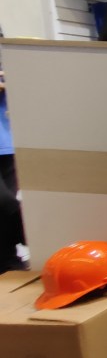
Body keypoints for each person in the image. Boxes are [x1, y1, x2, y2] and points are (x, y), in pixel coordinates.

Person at [0, 69, 25, 272]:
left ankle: (8, 259)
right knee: (5, 202)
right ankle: (29, 234)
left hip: (6, 142)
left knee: (2, 211)